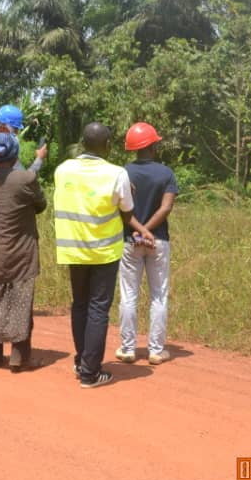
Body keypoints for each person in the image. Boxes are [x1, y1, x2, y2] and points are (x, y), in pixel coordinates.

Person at [54, 122, 154, 389]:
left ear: (82, 143)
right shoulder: (116, 173)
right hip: (103, 251)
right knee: (98, 308)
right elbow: (126, 210)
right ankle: (90, 372)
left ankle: (81, 361)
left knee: (80, 305)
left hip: (73, 248)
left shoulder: (62, 170)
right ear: (108, 145)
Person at [0, 131, 47, 371]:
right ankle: (19, 357)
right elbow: (40, 205)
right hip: (21, 252)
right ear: (14, 154)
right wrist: (38, 162)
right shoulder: (25, 180)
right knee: (20, 301)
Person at [115, 122, 179, 366]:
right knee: (158, 295)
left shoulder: (123, 173)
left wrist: (139, 231)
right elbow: (166, 207)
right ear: (153, 145)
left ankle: (128, 348)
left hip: (129, 240)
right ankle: (155, 350)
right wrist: (149, 231)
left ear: (132, 148)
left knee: (129, 295)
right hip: (158, 240)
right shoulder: (166, 173)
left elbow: (122, 210)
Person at [0, 104, 48, 175]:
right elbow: (24, 179)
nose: (17, 133)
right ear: (3, 128)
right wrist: (39, 159)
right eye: (15, 129)